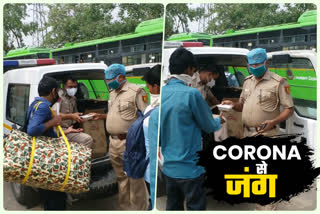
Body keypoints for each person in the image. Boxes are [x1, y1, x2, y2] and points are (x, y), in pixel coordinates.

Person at [160, 47, 224, 210]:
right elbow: (208, 125)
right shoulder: (191, 94)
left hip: (169, 167)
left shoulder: (162, 93)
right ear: (189, 69)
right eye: (193, 70)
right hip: (190, 168)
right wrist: (220, 121)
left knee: (173, 206)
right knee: (195, 206)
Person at [93, 64, 149, 210]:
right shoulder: (112, 93)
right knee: (121, 179)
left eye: (110, 79)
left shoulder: (136, 91)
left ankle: (139, 209)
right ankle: (125, 208)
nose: (108, 82)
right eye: (107, 80)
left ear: (121, 76)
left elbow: (147, 118)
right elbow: (115, 115)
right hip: (113, 142)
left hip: (129, 143)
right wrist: (102, 116)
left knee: (135, 178)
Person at [26, 76, 82, 210]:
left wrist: (66, 131)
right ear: (52, 91)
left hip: (41, 155)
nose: (57, 94)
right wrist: (54, 121)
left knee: (48, 195)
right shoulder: (44, 107)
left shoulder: (35, 104)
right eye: (56, 91)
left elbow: (45, 132)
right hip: (47, 159)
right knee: (55, 198)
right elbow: (32, 130)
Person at [222, 48, 294, 138]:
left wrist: (273, 122)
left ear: (266, 63)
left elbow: (289, 109)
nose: (254, 67)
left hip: (267, 134)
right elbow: (242, 106)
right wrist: (232, 104)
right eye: (251, 65)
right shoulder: (247, 81)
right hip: (246, 133)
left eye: (257, 64)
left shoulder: (278, 82)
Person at [52, 76, 93, 148]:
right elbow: (54, 114)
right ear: (64, 86)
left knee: (87, 139)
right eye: (70, 87)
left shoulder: (73, 98)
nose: (73, 89)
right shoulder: (58, 96)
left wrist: (79, 118)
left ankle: (80, 158)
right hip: (57, 130)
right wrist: (71, 116)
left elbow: (74, 115)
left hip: (69, 129)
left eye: (75, 87)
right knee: (64, 143)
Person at [141, 64, 161, 209]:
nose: (148, 89)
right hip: (149, 164)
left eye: (148, 86)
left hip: (159, 166)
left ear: (156, 86)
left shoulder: (162, 107)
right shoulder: (151, 106)